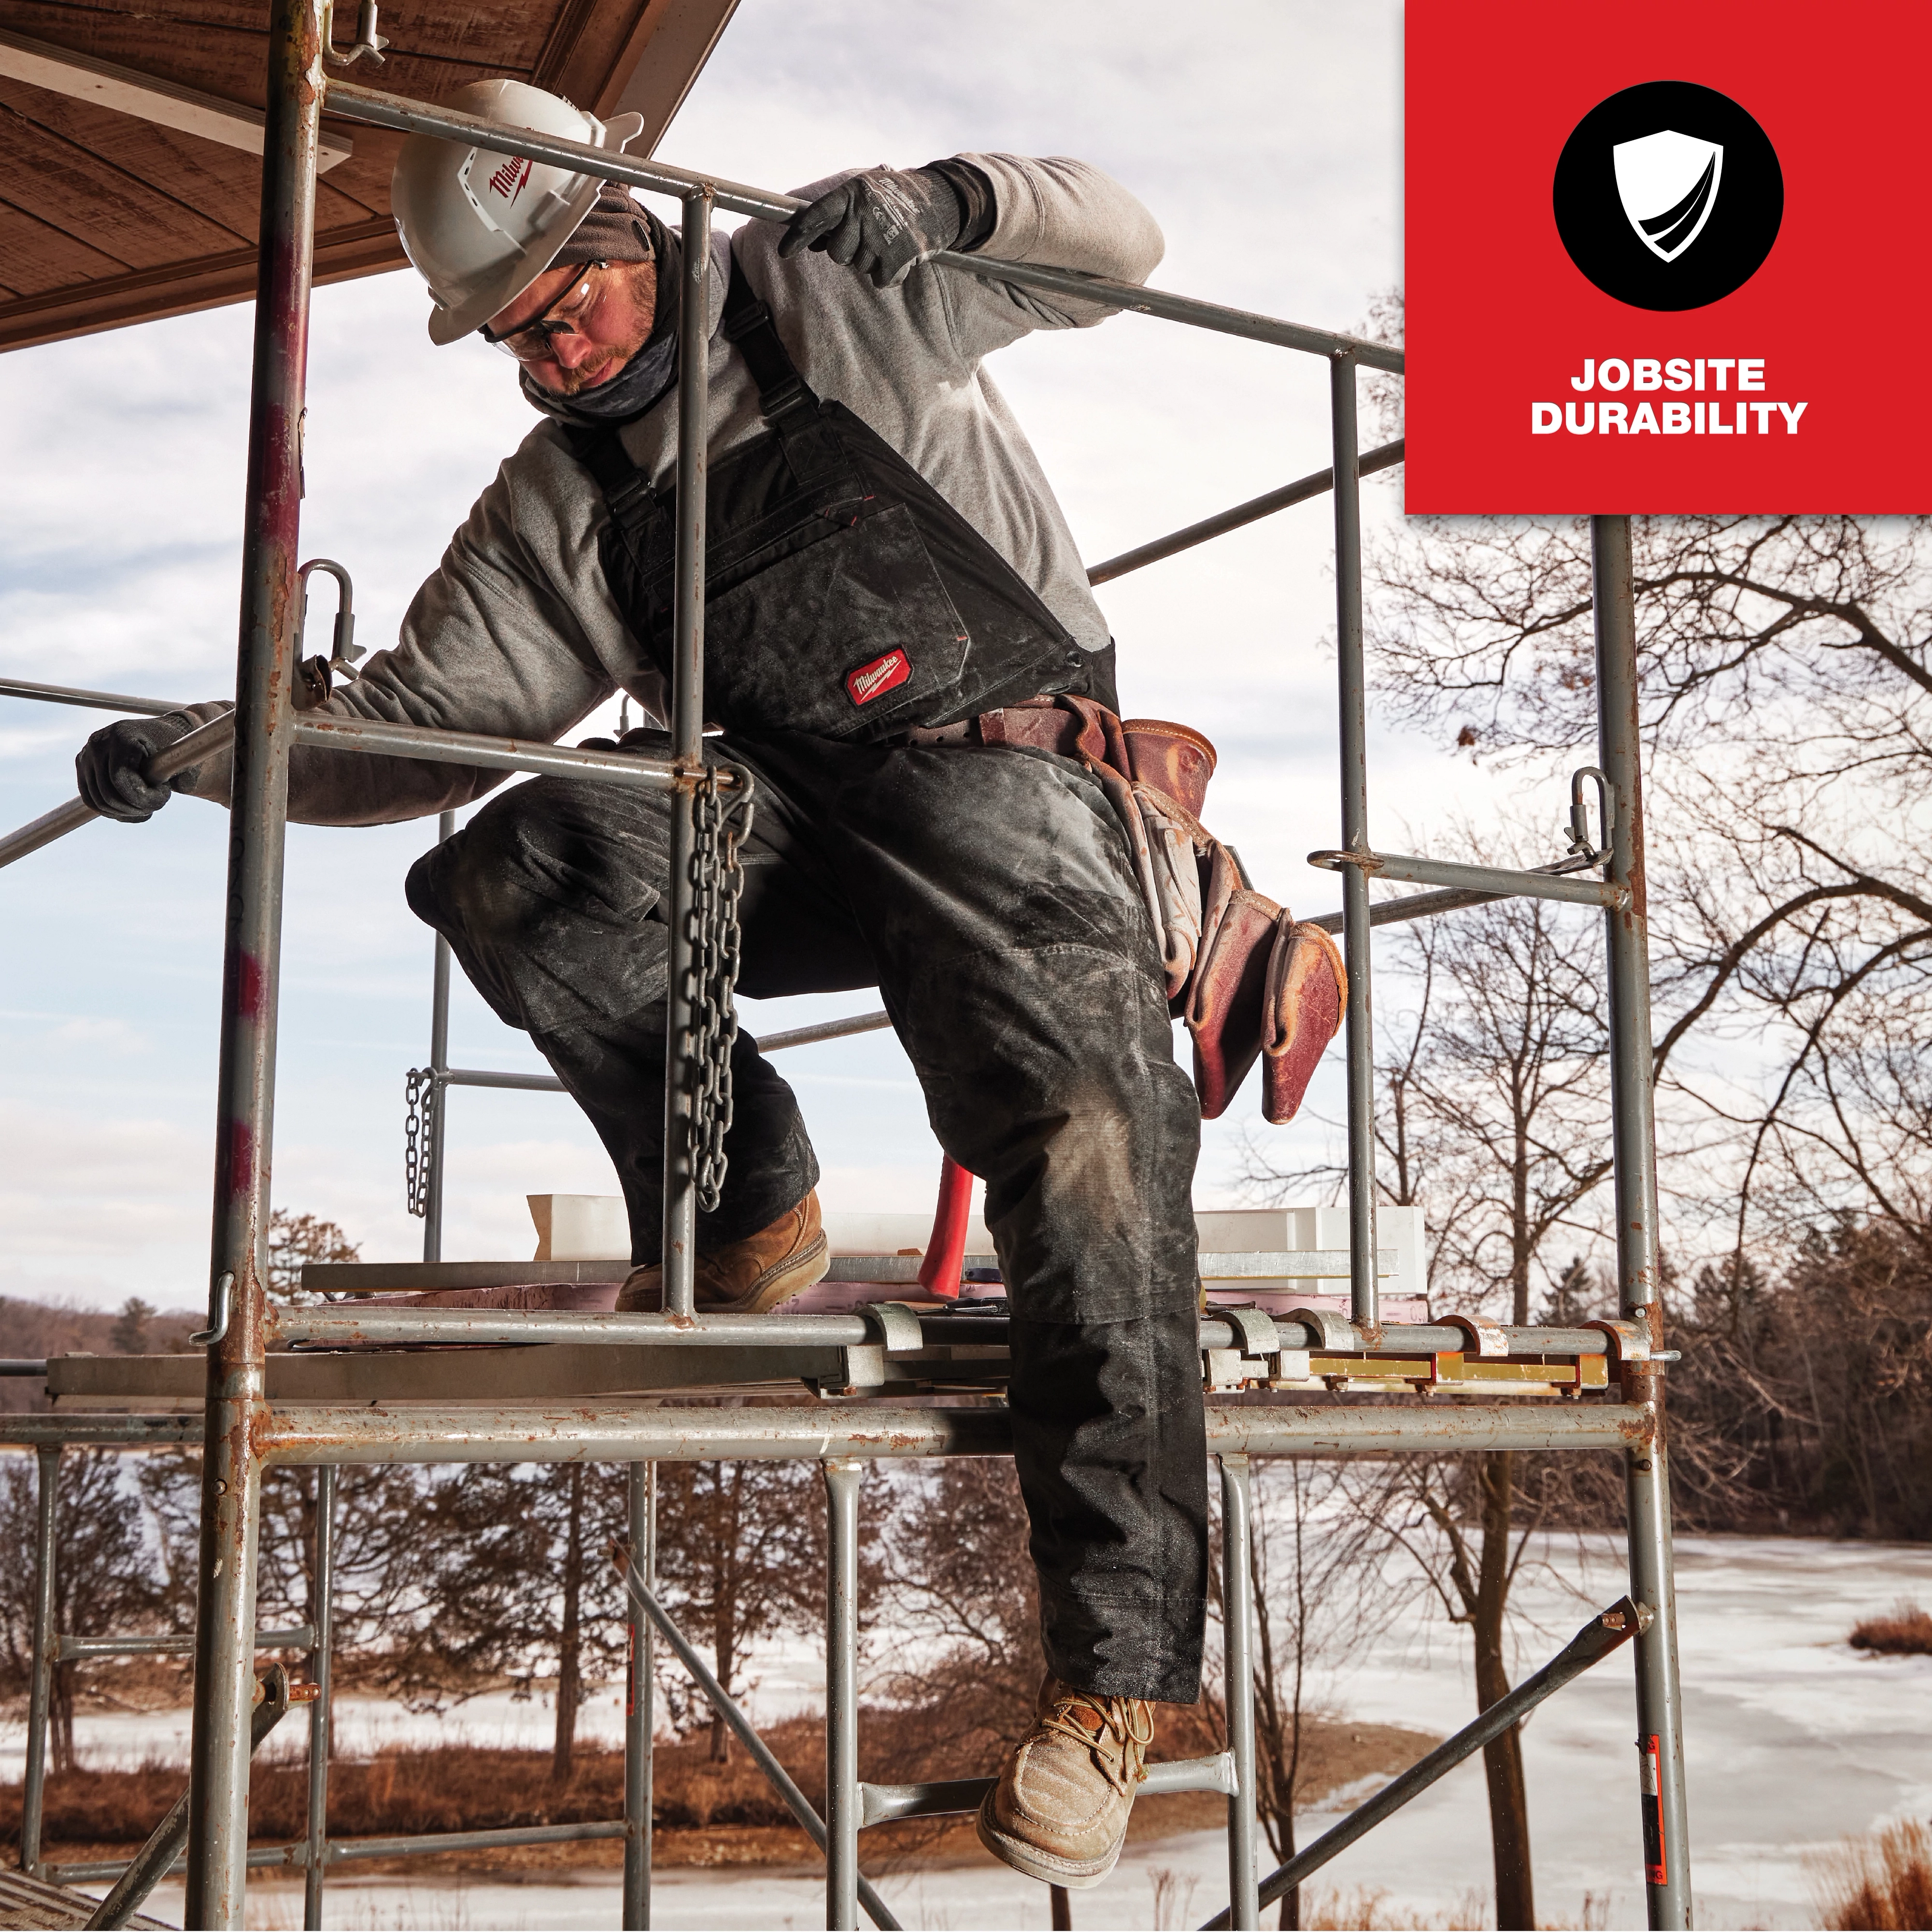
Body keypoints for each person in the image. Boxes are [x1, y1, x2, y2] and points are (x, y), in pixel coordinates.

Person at [76, 79, 1340, 1890]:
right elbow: (408, 736)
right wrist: (211, 750)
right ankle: (751, 1200)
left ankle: (1113, 1687)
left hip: (1012, 786)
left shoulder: (831, 287)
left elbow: (1121, 251)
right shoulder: (564, 503)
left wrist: (962, 198)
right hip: (784, 826)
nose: (547, 355)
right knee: (522, 863)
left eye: (561, 304)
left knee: (1077, 1134)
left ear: (625, 228)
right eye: (507, 340)